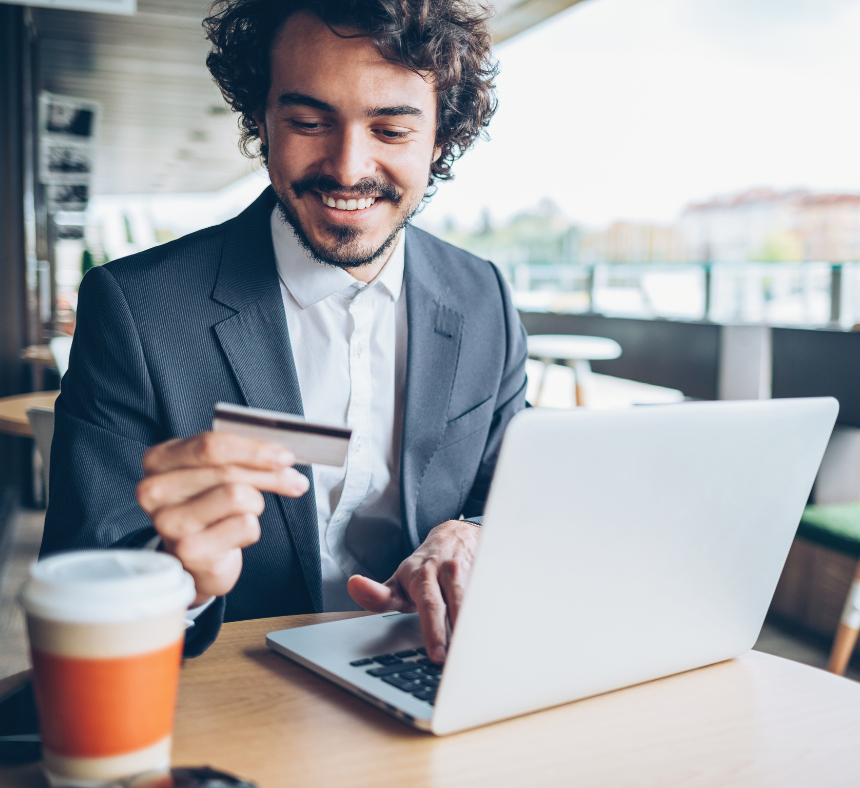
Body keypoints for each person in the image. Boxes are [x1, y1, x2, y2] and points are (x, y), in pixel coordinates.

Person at [40, 0, 528, 662]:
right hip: (229, 705)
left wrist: (471, 533)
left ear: (441, 138)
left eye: (391, 130)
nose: (349, 167)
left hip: (428, 683)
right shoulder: (134, 309)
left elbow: (515, 494)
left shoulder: (485, 299)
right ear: (260, 121)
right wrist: (173, 578)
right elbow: (76, 584)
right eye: (307, 121)